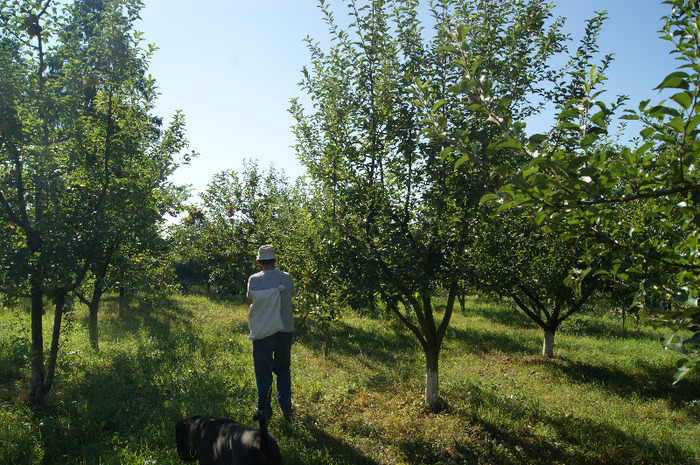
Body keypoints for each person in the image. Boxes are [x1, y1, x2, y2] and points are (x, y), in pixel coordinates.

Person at [246, 244, 295, 421]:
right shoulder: (286, 278)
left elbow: (251, 301)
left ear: (259, 263)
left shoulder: (254, 279)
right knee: (283, 369)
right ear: (275, 260)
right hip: (285, 329)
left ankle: (264, 411)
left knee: (263, 371)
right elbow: (289, 297)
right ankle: (286, 409)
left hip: (263, 330)